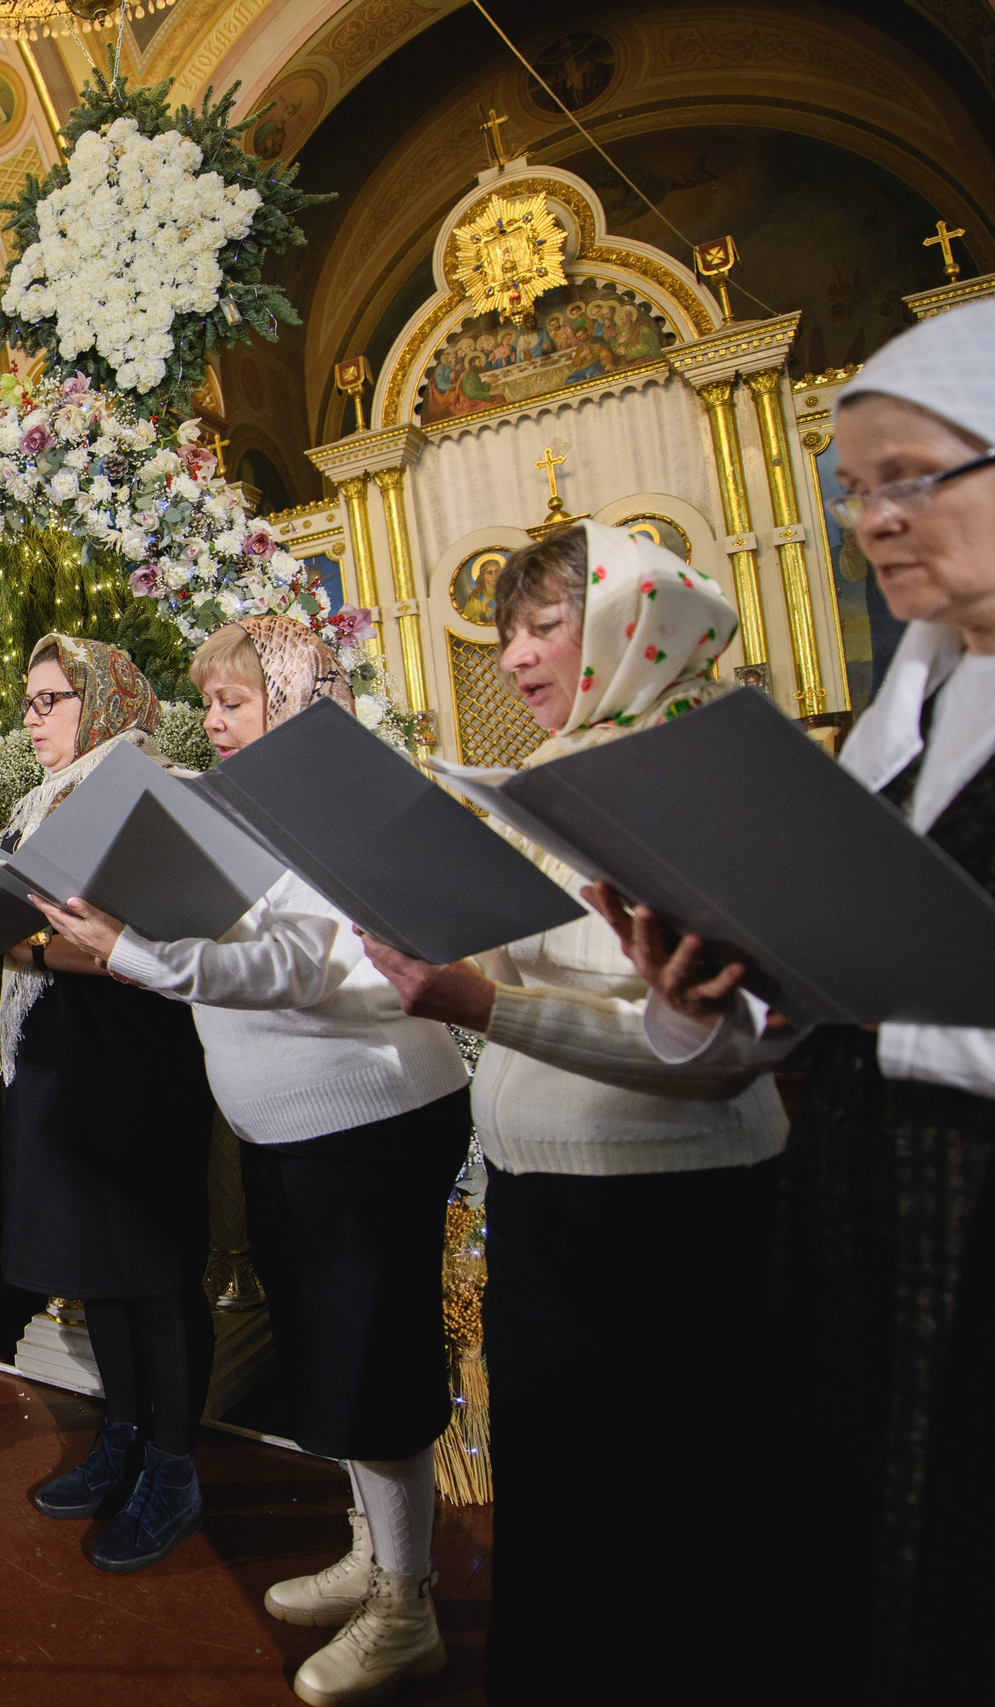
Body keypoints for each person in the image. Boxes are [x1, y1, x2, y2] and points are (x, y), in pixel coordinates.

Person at [606, 300, 995, 1703]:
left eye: (913, 478)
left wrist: (882, 1011)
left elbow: (896, 992)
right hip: (854, 1208)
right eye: (854, 490)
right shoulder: (919, 708)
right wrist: (710, 992)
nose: (875, 520)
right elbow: (820, 1000)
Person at [358, 523, 788, 1701]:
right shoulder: (556, 782)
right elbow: (523, 957)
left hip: (672, 1218)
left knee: (668, 1547)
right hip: (545, 1209)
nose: (514, 659)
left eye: (544, 626)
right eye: (503, 635)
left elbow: (730, 1050)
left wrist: (483, 1006)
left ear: (628, 623)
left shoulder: (705, 780)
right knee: (562, 1531)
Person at [37, 616, 470, 1706]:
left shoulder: (332, 802)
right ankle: (375, 1554)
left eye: (235, 702)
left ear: (290, 698)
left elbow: (298, 966)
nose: (214, 721)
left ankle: (407, 1608)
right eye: (213, 703)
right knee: (335, 1359)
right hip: (294, 1130)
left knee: (375, 1368)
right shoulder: (250, 806)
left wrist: (130, 952)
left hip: (365, 1121)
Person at [0, 637, 220, 1572]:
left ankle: (175, 1466)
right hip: (62, 1051)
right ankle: (122, 1435)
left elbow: (156, 940)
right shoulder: (43, 802)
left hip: (135, 1057)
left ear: (107, 701)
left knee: (153, 1267)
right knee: (99, 1267)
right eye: (29, 701)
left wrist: (23, 949)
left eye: (51, 699)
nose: (32, 717)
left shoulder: (144, 788)